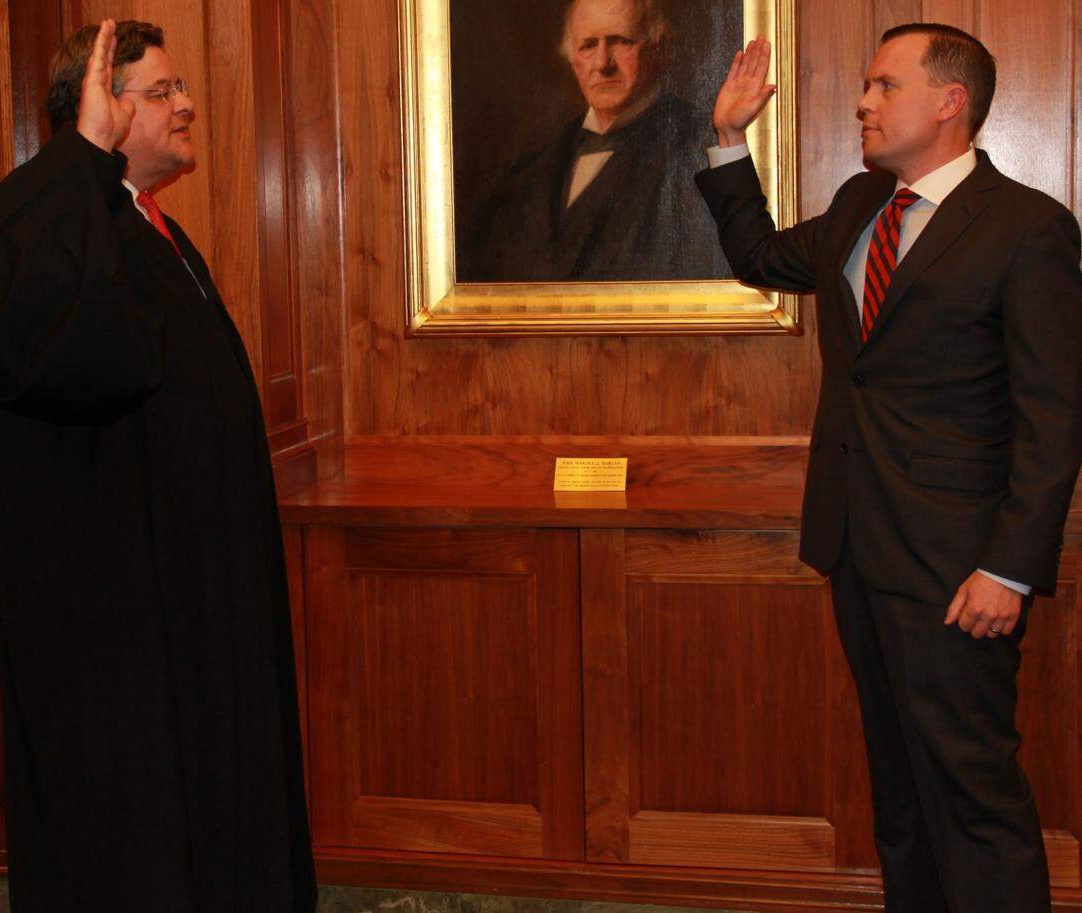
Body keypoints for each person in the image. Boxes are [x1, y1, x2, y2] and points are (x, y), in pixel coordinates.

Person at [697, 24, 1082, 913]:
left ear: (950, 102)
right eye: (864, 86)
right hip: (857, 551)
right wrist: (729, 140)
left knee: (973, 797)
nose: (862, 102)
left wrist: (1009, 568)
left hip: (961, 570)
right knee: (901, 794)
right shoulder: (859, 202)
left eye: (882, 85)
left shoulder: (1027, 227)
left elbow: (1055, 418)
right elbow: (758, 256)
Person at [0, 20, 317, 913]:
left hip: (191, 601)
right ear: (100, 112)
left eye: (181, 86)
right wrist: (79, 155)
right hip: (115, 618)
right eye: (159, 92)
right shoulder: (43, 222)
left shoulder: (153, 230)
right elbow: (16, 330)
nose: (187, 104)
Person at [459, 0, 726, 282]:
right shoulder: (531, 168)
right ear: (573, 60)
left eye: (621, 42)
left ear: (658, 49)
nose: (602, 64)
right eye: (588, 46)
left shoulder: (701, 148)